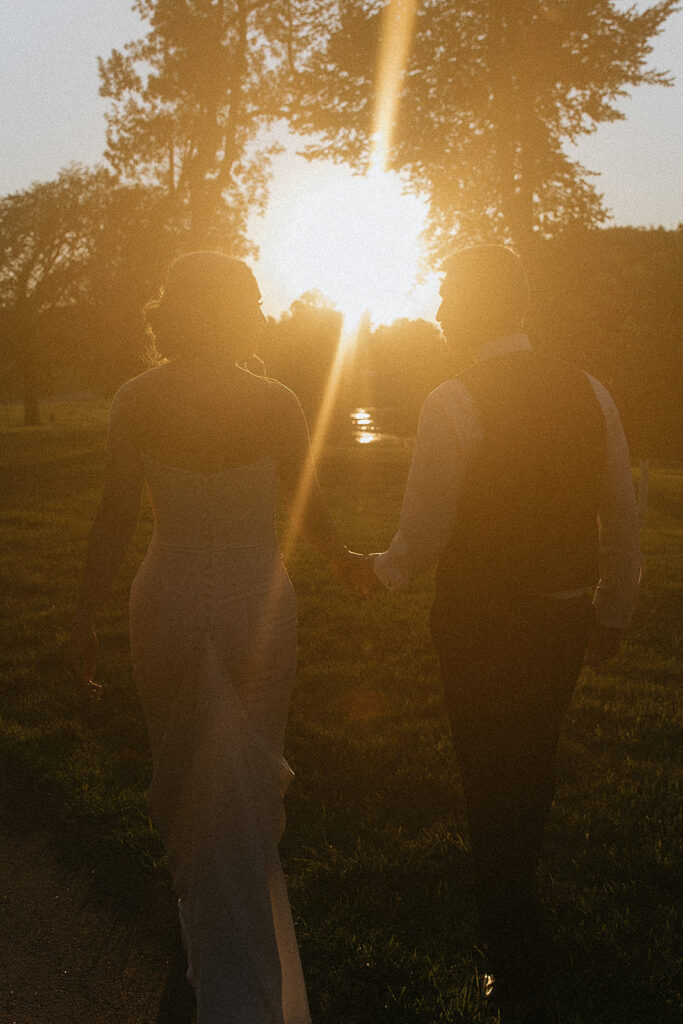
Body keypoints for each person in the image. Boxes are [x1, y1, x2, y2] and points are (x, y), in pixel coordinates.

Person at [69, 251, 363, 1024]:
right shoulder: (278, 402)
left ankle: (210, 951)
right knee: (245, 775)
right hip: (257, 611)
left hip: (164, 603)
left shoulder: (138, 398)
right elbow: (307, 505)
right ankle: (228, 960)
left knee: (184, 777)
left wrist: (85, 614)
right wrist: (343, 561)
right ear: (238, 311)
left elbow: (114, 519)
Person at [354, 245, 641, 1024]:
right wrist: (611, 610)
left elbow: (424, 534)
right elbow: (620, 509)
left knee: (488, 782)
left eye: (449, 294)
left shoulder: (453, 398)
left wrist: (374, 571)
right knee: (533, 764)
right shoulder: (589, 391)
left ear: (480, 305)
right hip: (560, 618)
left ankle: (512, 967)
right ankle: (521, 917)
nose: (441, 309)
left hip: (480, 625)